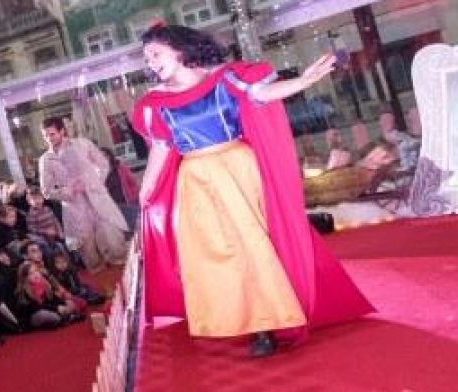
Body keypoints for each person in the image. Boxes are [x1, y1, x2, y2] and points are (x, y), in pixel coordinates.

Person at [130, 22, 374, 357]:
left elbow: (261, 94)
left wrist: (303, 81)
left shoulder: (225, 79)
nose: (151, 63)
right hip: (195, 178)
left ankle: (267, 325)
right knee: (213, 251)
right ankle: (237, 319)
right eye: (147, 59)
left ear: (180, 49)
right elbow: (161, 146)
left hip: (237, 170)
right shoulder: (154, 104)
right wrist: (147, 188)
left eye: (155, 54)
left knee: (252, 245)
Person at [38, 116, 130, 268]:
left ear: (62, 131)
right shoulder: (45, 160)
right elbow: (46, 191)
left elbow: (103, 165)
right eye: (45, 136)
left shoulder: (82, 144)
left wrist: (92, 183)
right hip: (75, 208)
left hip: (97, 200)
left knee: (114, 244)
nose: (48, 138)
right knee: (90, 255)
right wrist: (69, 190)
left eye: (52, 134)